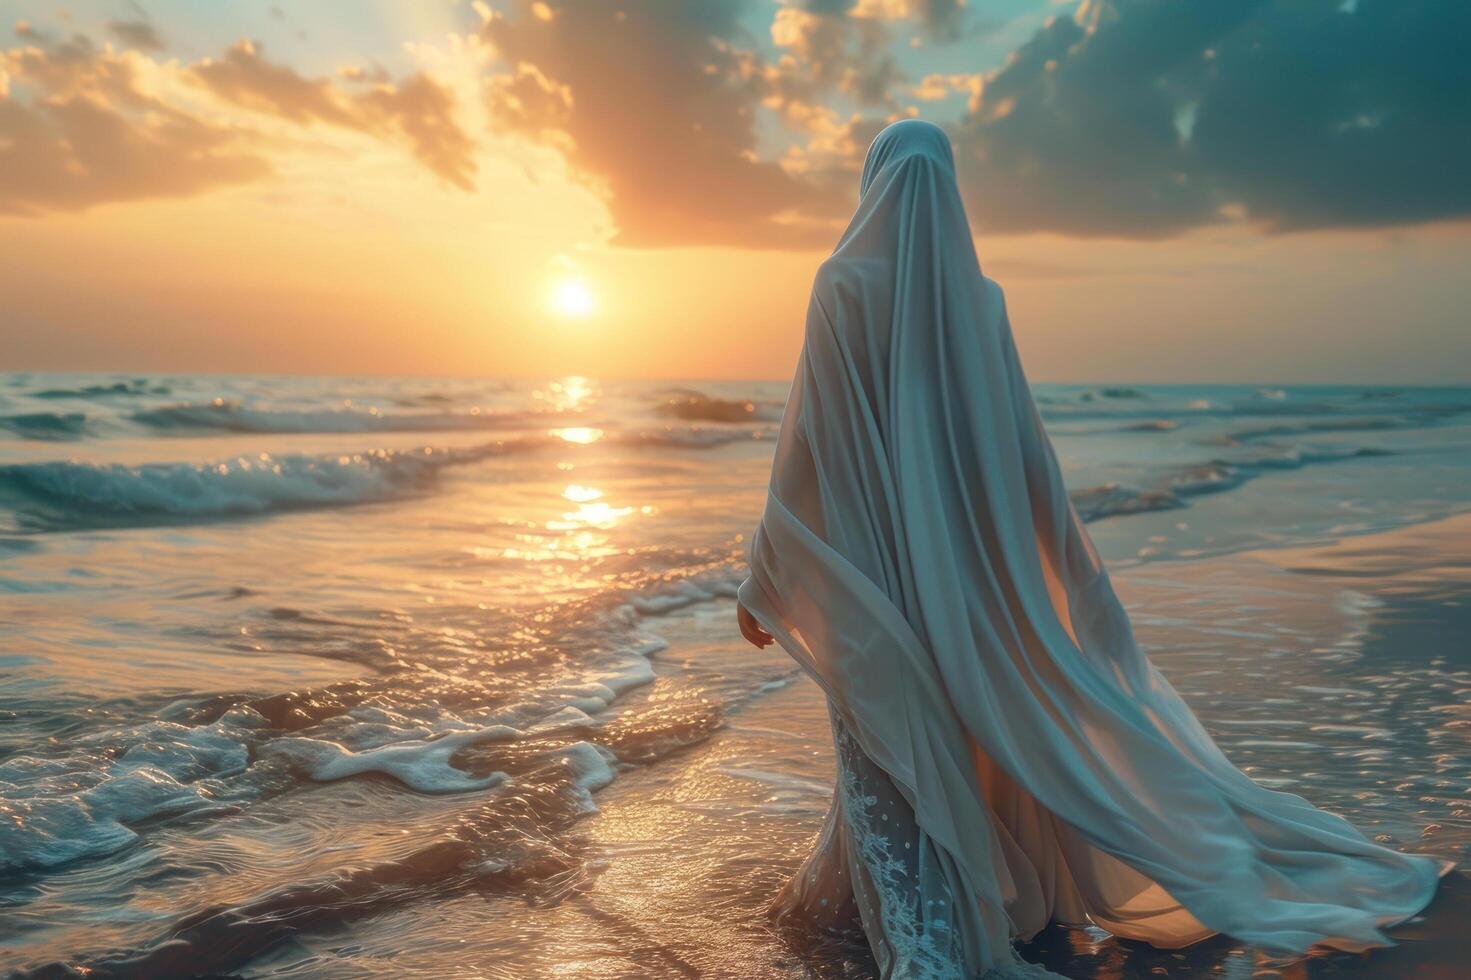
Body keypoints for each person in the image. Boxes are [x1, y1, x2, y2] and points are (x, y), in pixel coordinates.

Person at [734, 118, 1452, 978]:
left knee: (890, 740)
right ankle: (928, 912)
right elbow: (1020, 451)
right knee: (969, 731)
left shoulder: (839, 285)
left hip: (872, 576)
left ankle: (923, 935)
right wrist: (1055, 575)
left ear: (874, 181)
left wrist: (765, 576)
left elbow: (805, 446)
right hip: (970, 577)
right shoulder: (980, 297)